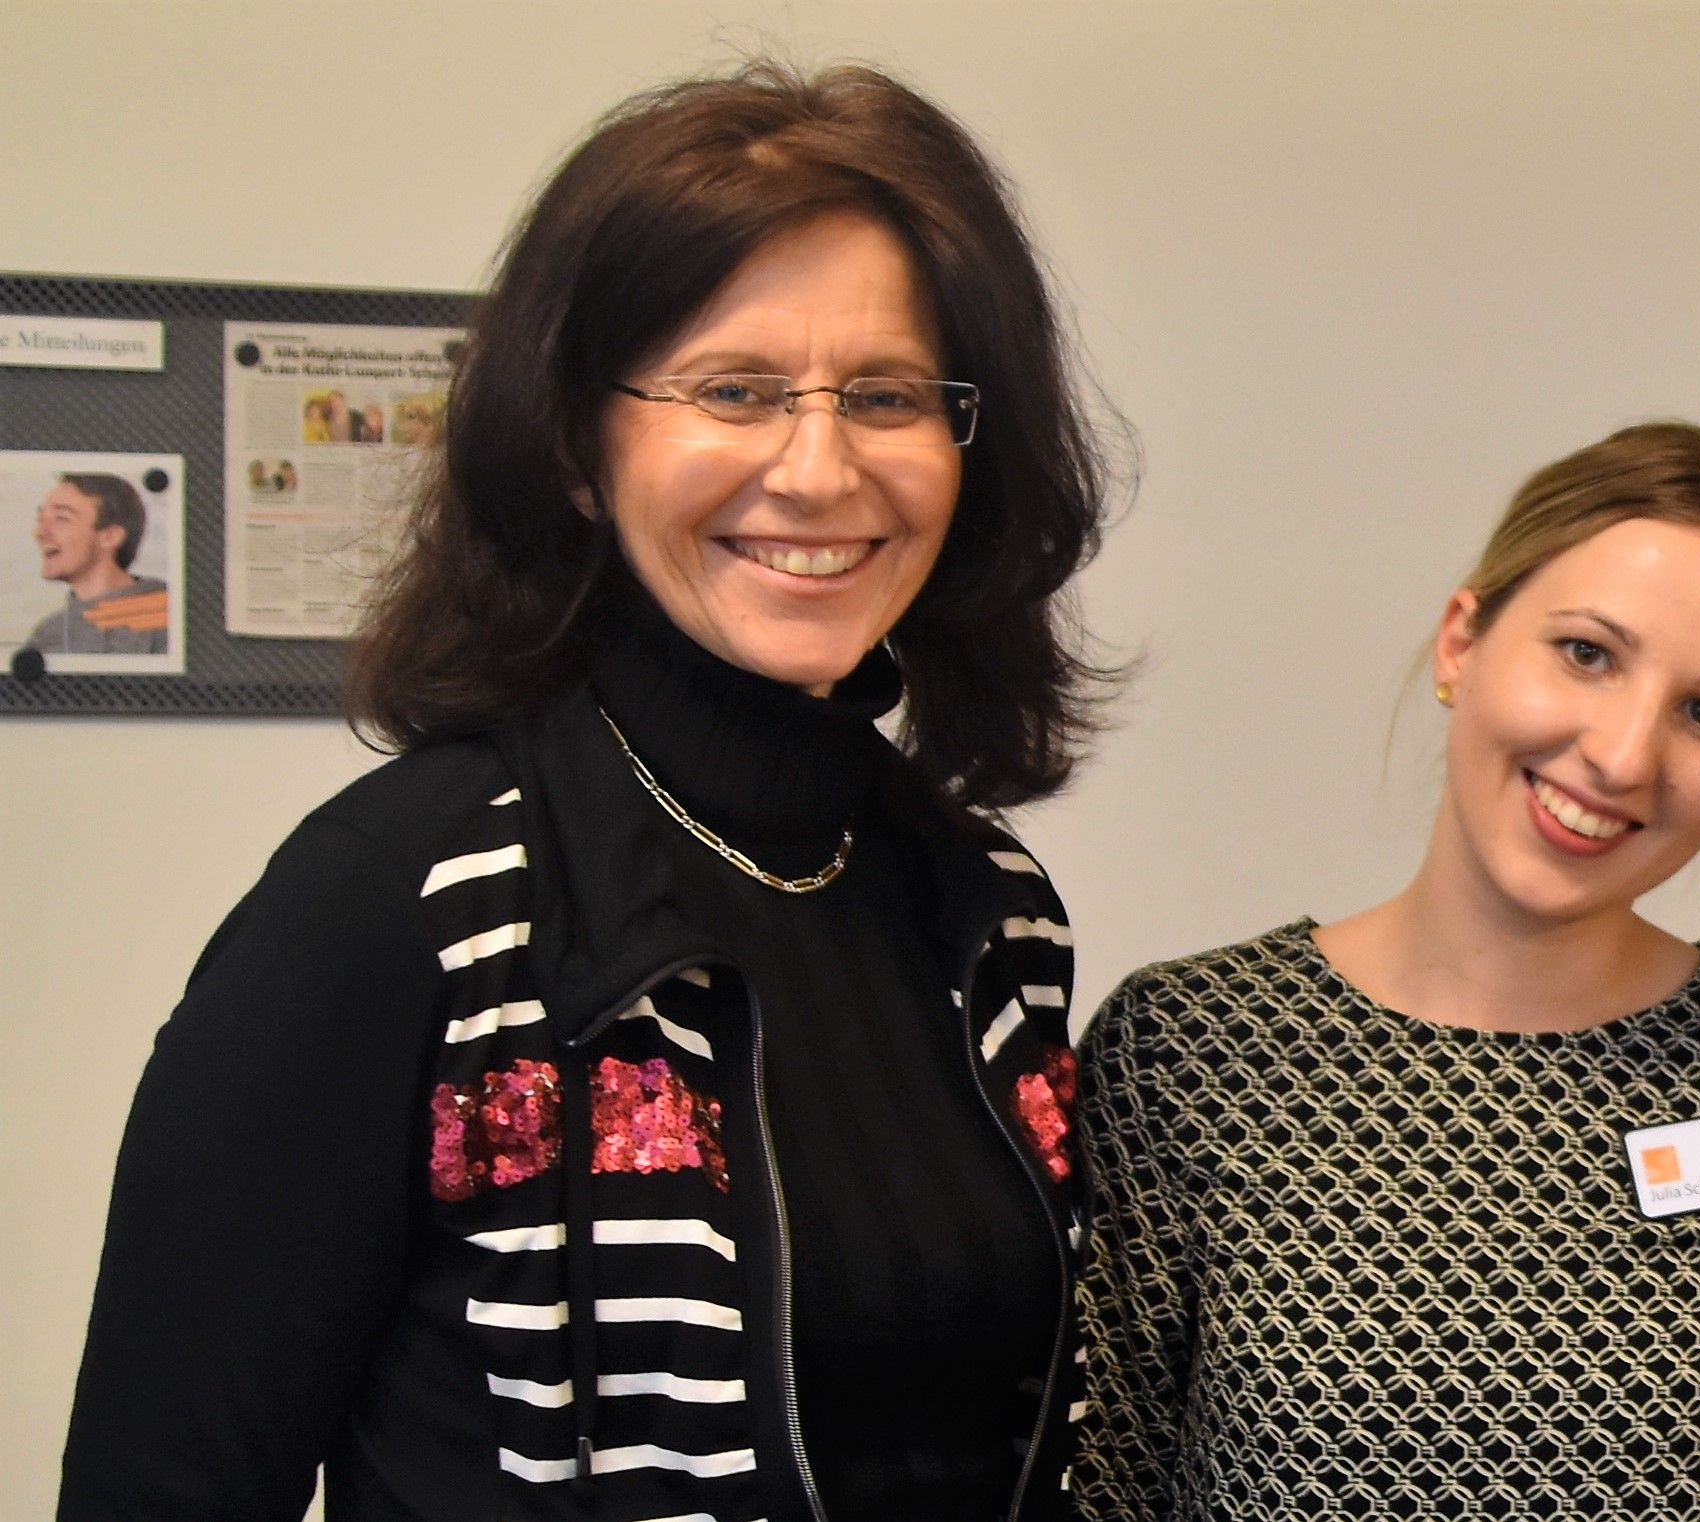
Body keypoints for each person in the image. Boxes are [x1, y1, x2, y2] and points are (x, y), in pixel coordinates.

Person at [60, 61, 1112, 1522]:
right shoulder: (398, 901)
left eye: (884, 396)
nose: (820, 471)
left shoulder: (986, 907)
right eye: (734, 390)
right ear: (570, 444)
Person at [1074, 421, 1700, 1521]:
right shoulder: (1189, 1048)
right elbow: (1105, 1489)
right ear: (1460, 642)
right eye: (1587, 653)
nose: (1623, 754)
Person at [24, 473, 168, 655]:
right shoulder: (47, 635)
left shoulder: (172, 618)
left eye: (61, 518)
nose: (39, 533)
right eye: (41, 519)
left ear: (110, 537)